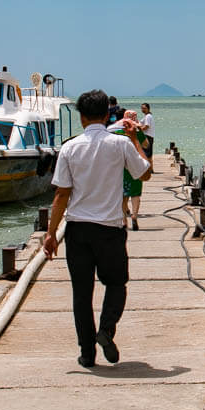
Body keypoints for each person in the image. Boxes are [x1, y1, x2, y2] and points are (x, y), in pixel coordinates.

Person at [43, 89, 151, 369]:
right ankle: (106, 330)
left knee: (81, 293)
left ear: (81, 117)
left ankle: (87, 354)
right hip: (110, 229)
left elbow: (61, 195)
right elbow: (145, 173)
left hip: (77, 230)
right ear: (107, 115)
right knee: (116, 284)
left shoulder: (69, 147)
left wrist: (51, 233)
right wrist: (133, 138)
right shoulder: (119, 144)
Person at [110, 110, 145, 230]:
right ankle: (134, 215)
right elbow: (146, 145)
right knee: (135, 193)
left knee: (123, 195)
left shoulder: (117, 132)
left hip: (121, 166)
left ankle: (124, 220)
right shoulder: (136, 131)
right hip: (136, 165)